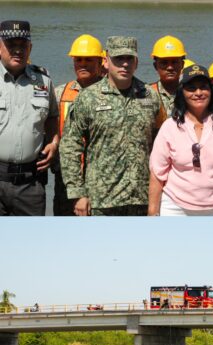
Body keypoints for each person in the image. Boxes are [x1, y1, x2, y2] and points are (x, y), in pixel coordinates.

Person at [60, 36, 166, 216]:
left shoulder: (150, 96)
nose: (124, 64)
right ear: (106, 61)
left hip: (142, 198)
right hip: (101, 200)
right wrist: (78, 193)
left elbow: (163, 145)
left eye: (129, 58)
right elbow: (70, 146)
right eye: (118, 59)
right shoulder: (88, 97)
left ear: (136, 62)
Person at [149, 65, 213, 216]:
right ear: (182, 92)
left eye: (203, 87)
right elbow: (157, 174)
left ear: (211, 91)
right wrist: (152, 212)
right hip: (176, 207)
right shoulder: (169, 127)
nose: (198, 93)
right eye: (191, 88)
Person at [0, 20, 59, 216]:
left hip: (30, 185)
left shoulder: (43, 81)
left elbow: (52, 116)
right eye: (11, 45)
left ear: (30, 48)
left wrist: (54, 142)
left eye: (23, 45)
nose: (17, 50)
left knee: (31, 235)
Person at [53, 34, 103, 216]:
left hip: (101, 178)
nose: (83, 64)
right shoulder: (60, 93)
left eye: (89, 60)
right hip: (66, 177)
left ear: (100, 62)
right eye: (78, 59)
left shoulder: (111, 92)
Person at [150, 35, 186, 114]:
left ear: (182, 65)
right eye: (164, 63)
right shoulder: (147, 94)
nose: (170, 67)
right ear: (155, 66)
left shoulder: (191, 93)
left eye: (174, 62)